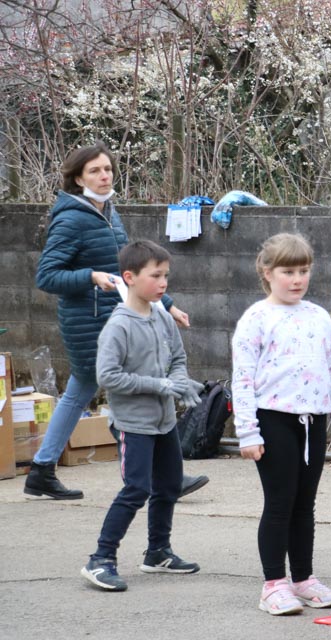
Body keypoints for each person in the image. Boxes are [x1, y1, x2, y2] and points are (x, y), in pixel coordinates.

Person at [26, 142, 207, 500]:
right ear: (79, 179)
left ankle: (41, 470)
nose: (104, 176)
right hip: (89, 324)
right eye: (94, 170)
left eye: (107, 169)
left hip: (114, 317)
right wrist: (90, 277)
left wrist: (167, 304)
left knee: (79, 392)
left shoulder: (107, 211)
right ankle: (161, 475)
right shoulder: (71, 219)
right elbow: (46, 276)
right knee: (134, 392)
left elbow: (129, 273)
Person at [232, 233, 331, 616]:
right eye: (288, 271)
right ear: (267, 272)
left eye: (303, 270)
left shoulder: (319, 316)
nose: (297, 279)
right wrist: (247, 432)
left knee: (305, 504)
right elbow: (242, 379)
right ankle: (273, 584)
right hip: (273, 421)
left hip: (313, 422)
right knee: (280, 502)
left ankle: (303, 579)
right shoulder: (256, 318)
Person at [81, 240, 203, 591]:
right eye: (156, 276)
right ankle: (101, 559)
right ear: (129, 277)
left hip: (164, 422)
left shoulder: (162, 316)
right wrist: (161, 385)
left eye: (166, 276)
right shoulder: (119, 326)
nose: (163, 283)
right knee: (137, 489)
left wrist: (179, 382)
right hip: (133, 424)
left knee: (169, 487)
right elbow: (108, 377)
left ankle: (158, 552)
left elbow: (178, 359)